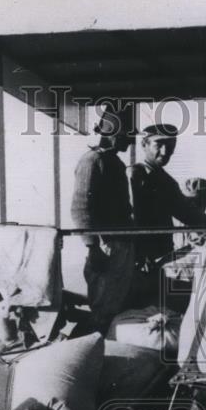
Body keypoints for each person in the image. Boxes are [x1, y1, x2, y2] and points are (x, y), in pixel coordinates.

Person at [127, 124, 206, 308]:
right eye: (159, 144)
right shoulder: (134, 175)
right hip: (136, 261)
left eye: (171, 145)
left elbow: (187, 213)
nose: (166, 151)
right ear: (144, 145)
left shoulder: (166, 181)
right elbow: (127, 218)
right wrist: (137, 255)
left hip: (159, 259)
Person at [71, 102, 137, 331]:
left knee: (115, 308)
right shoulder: (92, 161)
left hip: (120, 245)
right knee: (103, 309)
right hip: (107, 246)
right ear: (112, 134)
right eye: (127, 135)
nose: (130, 141)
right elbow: (80, 208)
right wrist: (93, 246)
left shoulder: (114, 163)